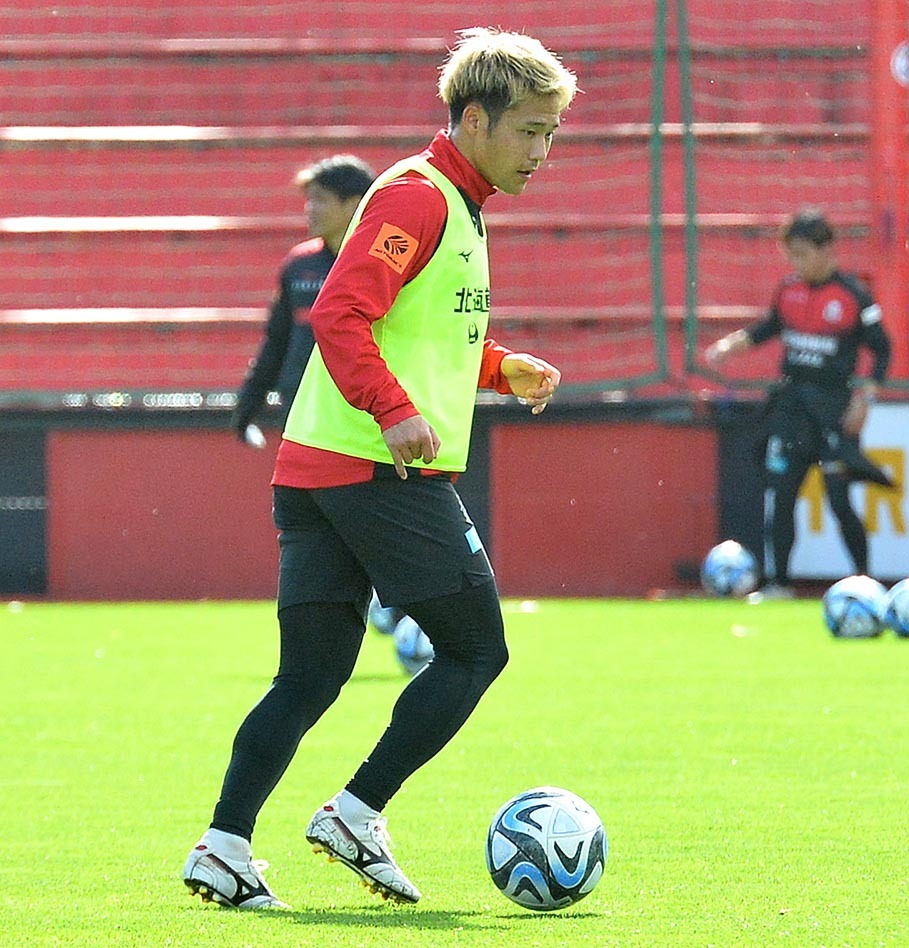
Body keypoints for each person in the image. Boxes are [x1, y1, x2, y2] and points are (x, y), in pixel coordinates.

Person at [183, 27, 578, 910]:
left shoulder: (453, 201)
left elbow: (415, 332)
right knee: (476, 649)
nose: (541, 151)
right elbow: (339, 313)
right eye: (528, 130)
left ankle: (223, 846)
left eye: (550, 133)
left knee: (310, 677)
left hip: (319, 468)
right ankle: (356, 813)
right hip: (374, 470)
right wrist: (394, 411)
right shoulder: (418, 196)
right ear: (473, 121)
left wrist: (496, 367)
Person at [703, 208, 892, 598]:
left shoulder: (853, 296)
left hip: (832, 412)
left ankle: (865, 582)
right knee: (782, 495)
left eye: (802, 254)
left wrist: (865, 399)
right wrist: (731, 345)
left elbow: (882, 349)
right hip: (791, 411)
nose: (796, 262)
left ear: (827, 250)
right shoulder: (788, 291)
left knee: (839, 501)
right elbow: (770, 327)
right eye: (791, 255)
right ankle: (780, 584)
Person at [231, 154, 376, 443]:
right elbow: (277, 340)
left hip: (363, 416)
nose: (309, 209)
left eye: (320, 200)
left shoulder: (382, 263)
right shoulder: (299, 264)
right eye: (309, 200)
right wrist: (247, 406)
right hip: (302, 413)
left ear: (354, 204)